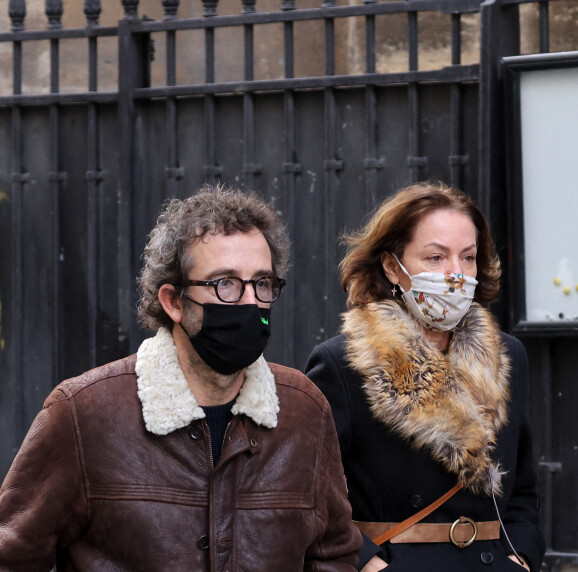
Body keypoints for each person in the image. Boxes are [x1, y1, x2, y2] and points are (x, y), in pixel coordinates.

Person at [0, 184, 362, 571]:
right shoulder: (83, 414)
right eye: (225, 284)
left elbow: (333, 556)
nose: (251, 302)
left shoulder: (303, 411)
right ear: (173, 301)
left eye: (262, 283)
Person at [305, 182, 545, 572]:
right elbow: (314, 494)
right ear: (391, 266)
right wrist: (371, 566)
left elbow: (523, 489)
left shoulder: (506, 355)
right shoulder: (341, 362)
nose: (456, 274)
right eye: (435, 257)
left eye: (467, 258)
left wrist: (519, 558)